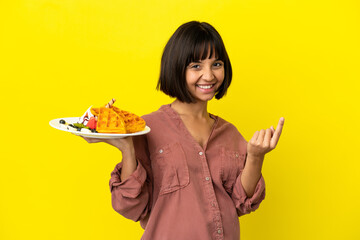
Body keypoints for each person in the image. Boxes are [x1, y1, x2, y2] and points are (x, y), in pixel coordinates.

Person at [82, 21, 285, 240]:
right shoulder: (147, 129)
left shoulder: (230, 133)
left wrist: (255, 156)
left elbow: (242, 203)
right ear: (176, 68)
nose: (208, 76)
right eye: (196, 66)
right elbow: (128, 206)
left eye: (216, 64)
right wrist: (127, 149)